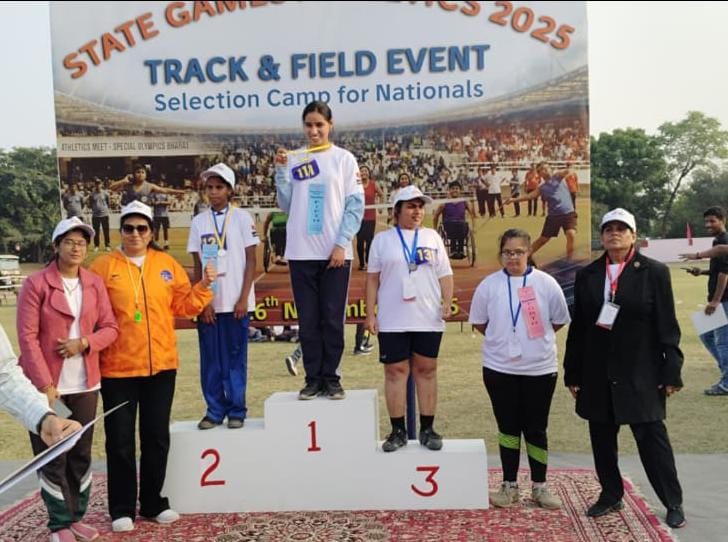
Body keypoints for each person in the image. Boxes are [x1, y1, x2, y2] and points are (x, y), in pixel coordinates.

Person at [89, 201, 215, 533]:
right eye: (128, 228)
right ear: (120, 231)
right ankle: (121, 508)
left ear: (151, 232)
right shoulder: (103, 267)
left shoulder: (166, 264)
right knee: (120, 440)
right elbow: (90, 313)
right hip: (117, 368)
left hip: (161, 366)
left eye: (141, 228)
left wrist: (203, 287)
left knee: (156, 436)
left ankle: (153, 502)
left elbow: (184, 306)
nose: (135, 234)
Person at [564, 208, 686, 529]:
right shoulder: (588, 274)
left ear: (633, 236)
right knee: (602, 438)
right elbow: (579, 328)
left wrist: (671, 370)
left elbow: (668, 326)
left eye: (621, 229)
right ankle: (610, 494)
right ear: (601, 236)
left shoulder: (654, 272)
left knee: (652, 439)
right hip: (597, 372)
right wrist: (572, 372)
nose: (614, 234)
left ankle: (672, 501)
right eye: (609, 229)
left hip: (641, 371)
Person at [16, 216, 119, 542]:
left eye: (82, 243)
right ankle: (59, 523)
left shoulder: (93, 283)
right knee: (52, 453)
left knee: (80, 452)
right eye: (70, 242)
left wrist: (84, 342)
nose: (76, 248)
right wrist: (45, 386)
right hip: (49, 388)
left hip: (86, 384)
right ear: (56, 245)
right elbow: (27, 338)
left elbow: (110, 328)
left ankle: (76, 517)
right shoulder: (36, 284)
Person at [468, 229, 570, 509]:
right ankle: (509, 485)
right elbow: (480, 322)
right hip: (499, 368)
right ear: (500, 254)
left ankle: (540, 486)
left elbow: (559, 319)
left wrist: (533, 343)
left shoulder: (546, 283)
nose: (513, 257)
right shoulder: (489, 285)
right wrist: (504, 340)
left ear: (529, 252)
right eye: (507, 252)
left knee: (536, 429)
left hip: (539, 369)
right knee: (508, 427)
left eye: (519, 252)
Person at [274, 100, 364, 400]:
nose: (314, 130)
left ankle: (332, 378)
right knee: (308, 321)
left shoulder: (344, 160)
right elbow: (286, 204)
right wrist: (281, 172)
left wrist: (341, 243)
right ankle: (312, 379)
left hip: (334, 255)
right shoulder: (295, 159)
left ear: (330, 125)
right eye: (309, 125)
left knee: (332, 319)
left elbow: (355, 205)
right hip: (301, 253)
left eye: (319, 125)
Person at [365, 185, 453, 452]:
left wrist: (447, 302)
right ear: (397, 211)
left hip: (427, 317)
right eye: (411, 206)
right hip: (393, 318)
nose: (417, 211)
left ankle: (428, 429)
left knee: (427, 370)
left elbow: (445, 274)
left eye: (420, 206)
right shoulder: (382, 240)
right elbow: (372, 279)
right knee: (395, 372)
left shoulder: (432, 237)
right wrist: (370, 314)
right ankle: (397, 431)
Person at [187, 163, 259, 430]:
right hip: (210, 305)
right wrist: (202, 301)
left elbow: (251, 261)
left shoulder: (242, 218)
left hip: (236, 303)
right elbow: (197, 266)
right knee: (211, 360)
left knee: (235, 359)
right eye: (210, 188)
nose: (214, 192)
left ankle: (237, 410)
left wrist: (243, 298)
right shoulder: (199, 222)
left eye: (219, 187)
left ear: (230, 190)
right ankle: (214, 410)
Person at [1, 324, 81, 446]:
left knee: (78, 447)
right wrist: (45, 385)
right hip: (47, 385)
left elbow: (4, 375)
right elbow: (28, 338)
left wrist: (42, 417)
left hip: (83, 384)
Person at [678, 206, 728, 395]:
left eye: (712, 221)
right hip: (720, 299)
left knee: (723, 342)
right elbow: (717, 270)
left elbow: (724, 274)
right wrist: (701, 272)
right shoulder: (717, 240)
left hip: (724, 300)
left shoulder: (724, 240)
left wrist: (715, 301)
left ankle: (727, 383)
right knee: (706, 334)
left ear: (722, 220)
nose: (708, 225)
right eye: (706, 221)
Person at [505, 162, 577, 260]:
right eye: (543, 169)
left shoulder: (558, 176)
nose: (547, 170)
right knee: (543, 239)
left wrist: (566, 172)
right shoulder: (542, 187)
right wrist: (513, 200)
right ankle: (525, 256)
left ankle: (570, 259)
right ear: (539, 173)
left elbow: (569, 171)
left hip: (568, 213)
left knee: (571, 234)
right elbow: (529, 196)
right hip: (554, 216)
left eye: (548, 168)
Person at [432, 180, 476, 259]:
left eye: (456, 188)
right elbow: (436, 216)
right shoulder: (444, 203)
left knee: (462, 225)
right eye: (452, 189)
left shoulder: (465, 202)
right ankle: (453, 250)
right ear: (449, 190)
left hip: (461, 226)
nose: (455, 190)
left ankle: (460, 250)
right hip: (449, 226)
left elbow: (472, 215)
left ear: (460, 190)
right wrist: (435, 229)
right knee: (453, 226)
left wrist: (474, 227)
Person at [108, 163, 185, 207]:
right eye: (138, 172)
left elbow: (165, 190)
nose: (140, 174)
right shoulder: (128, 185)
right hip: (130, 214)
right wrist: (123, 180)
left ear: (146, 175)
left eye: (143, 172)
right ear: (133, 174)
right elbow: (111, 188)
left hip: (144, 213)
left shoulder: (150, 186)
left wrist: (180, 191)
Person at [356, 165, 384, 271]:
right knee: (359, 241)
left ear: (369, 173)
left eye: (366, 171)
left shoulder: (373, 184)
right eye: (362, 171)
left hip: (371, 218)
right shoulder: (356, 184)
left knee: (369, 241)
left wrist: (380, 207)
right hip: (358, 218)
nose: (364, 172)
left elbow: (382, 195)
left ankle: (368, 261)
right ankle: (361, 263)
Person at [88, 179, 111, 251]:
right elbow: (90, 204)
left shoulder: (105, 193)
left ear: (101, 184)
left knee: (106, 231)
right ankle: (96, 246)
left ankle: (107, 245)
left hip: (104, 214)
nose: (98, 185)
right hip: (95, 215)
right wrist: (95, 209)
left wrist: (104, 209)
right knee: (96, 231)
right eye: (96, 184)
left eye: (99, 184)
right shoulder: (92, 194)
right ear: (95, 185)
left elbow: (108, 203)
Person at [152, 181, 172, 250]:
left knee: (165, 229)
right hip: (156, 214)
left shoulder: (165, 194)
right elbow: (152, 202)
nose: (161, 186)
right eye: (159, 185)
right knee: (156, 229)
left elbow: (169, 202)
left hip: (164, 214)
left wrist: (160, 202)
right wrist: (155, 203)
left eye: (162, 185)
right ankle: (156, 243)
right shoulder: (154, 194)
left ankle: (166, 243)